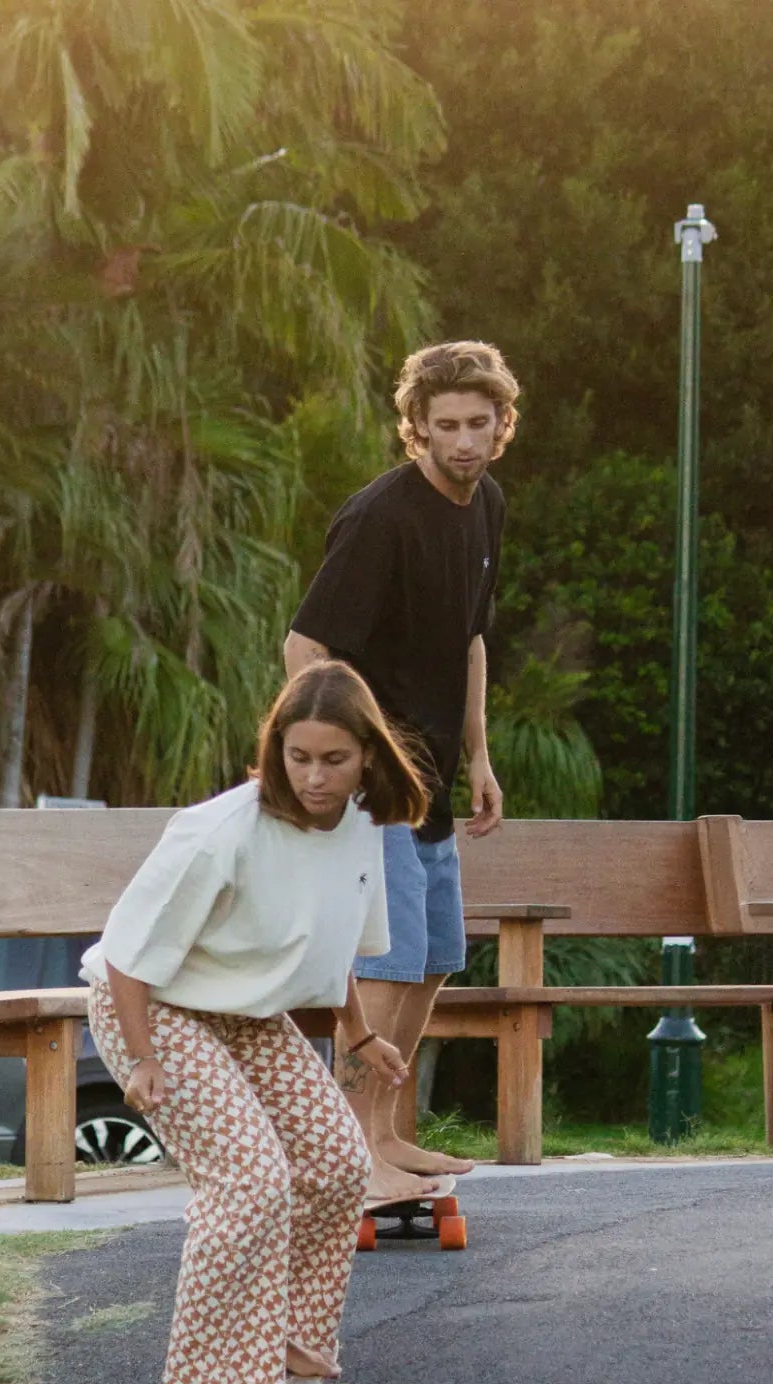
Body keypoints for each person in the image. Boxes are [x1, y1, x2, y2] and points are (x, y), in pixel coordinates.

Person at [81, 661, 430, 1384]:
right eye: (297, 756)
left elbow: (332, 935)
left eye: (332, 759)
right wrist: (140, 1061)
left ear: (368, 757)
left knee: (340, 1163)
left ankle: (292, 1340)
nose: (313, 776)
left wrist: (361, 1032)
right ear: (277, 750)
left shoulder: (362, 826)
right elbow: (130, 958)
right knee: (249, 1180)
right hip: (153, 1007)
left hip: (242, 1015)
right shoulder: (223, 832)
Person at [284, 339, 519, 1202]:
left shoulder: (486, 503)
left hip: (436, 780)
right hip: (376, 787)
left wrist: (480, 754)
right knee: (384, 962)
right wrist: (321, 769)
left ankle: (385, 1134)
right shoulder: (380, 516)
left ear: (501, 427)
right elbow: (305, 644)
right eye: (445, 425)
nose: (463, 440)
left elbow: (469, 640)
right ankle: (353, 1156)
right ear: (415, 427)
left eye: (478, 424)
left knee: (432, 960)